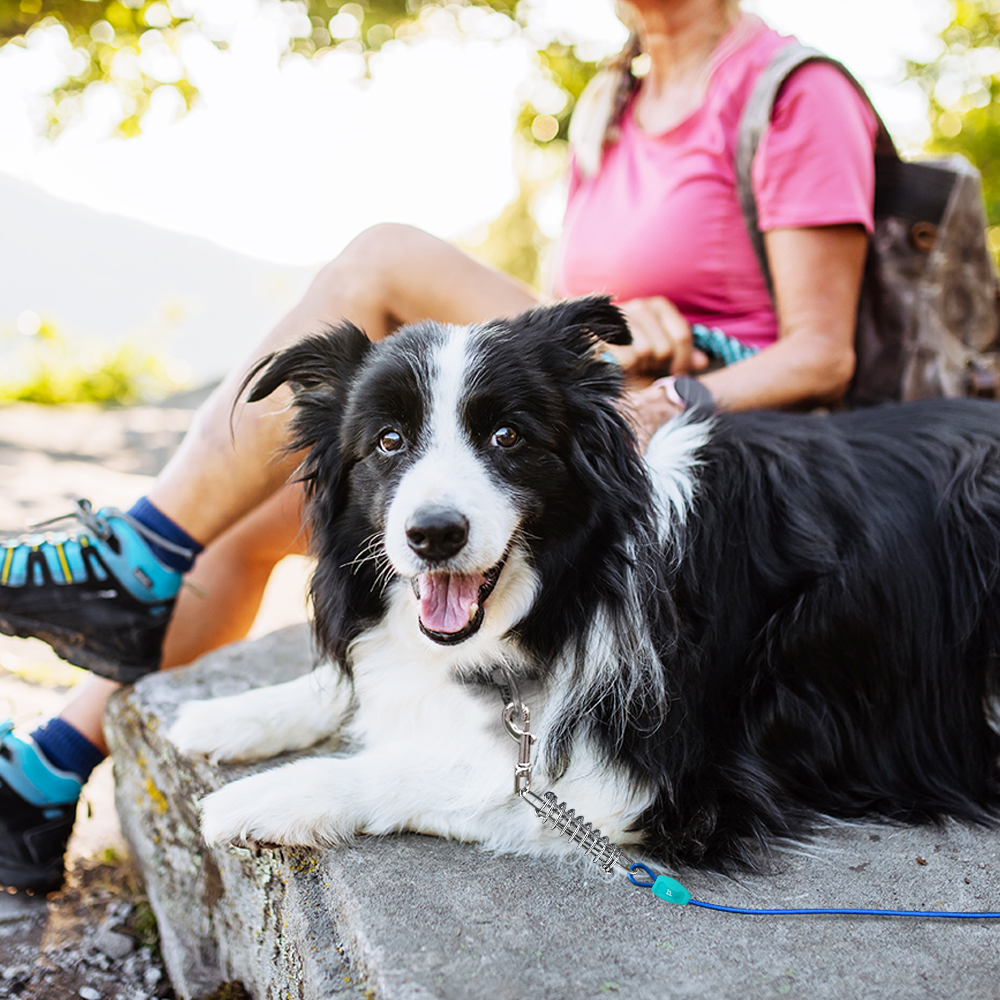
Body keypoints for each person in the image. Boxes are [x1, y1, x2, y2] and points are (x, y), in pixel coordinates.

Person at [0, 0, 877, 892]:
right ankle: (46, 769)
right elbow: (578, 310)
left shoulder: (791, 91)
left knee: (382, 256)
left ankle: (139, 550)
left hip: (719, 424)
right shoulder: (611, 104)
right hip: (603, 369)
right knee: (242, 522)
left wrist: (668, 389)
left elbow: (824, 354)